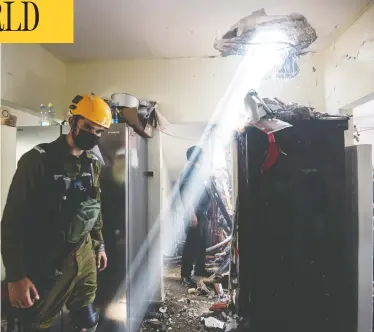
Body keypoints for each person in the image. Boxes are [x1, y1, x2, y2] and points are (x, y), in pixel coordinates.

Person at [1, 94, 112, 331]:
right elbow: (12, 221)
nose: (93, 134)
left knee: (86, 312)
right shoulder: (37, 160)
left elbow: (94, 207)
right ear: (72, 122)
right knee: (37, 320)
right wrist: (15, 276)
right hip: (46, 257)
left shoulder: (93, 164)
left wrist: (99, 244)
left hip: (84, 255)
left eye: (99, 131)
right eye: (88, 127)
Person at [179, 146, 213, 288]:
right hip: (195, 215)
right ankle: (185, 275)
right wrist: (192, 214)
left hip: (202, 215)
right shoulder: (190, 172)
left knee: (202, 243)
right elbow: (187, 194)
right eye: (202, 155)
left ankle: (200, 269)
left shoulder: (198, 172)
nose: (204, 157)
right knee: (192, 245)